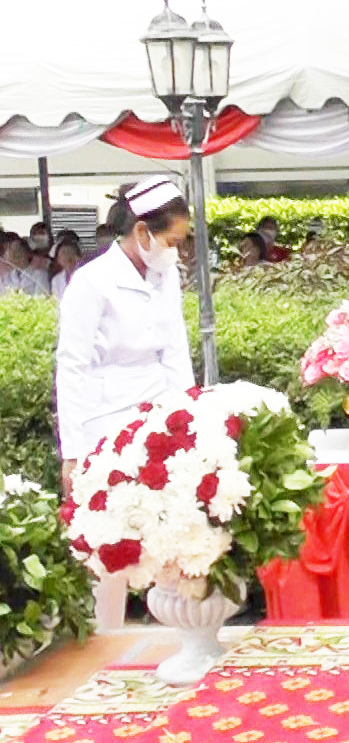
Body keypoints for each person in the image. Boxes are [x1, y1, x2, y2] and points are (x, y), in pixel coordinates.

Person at [55, 177, 196, 629]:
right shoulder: (90, 282)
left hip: (157, 410)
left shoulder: (165, 274)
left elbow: (176, 349)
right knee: (109, 540)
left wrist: (189, 417)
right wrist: (72, 451)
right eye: (171, 240)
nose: (176, 251)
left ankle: (184, 632)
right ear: (142, 232)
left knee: (172, 528)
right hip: (104, 418)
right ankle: (103, 639)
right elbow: (71, 366)